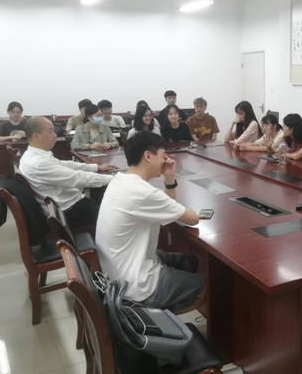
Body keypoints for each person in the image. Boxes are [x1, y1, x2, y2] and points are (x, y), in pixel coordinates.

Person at [96, 131, 204, 312]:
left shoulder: (120, 180)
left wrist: (169, 179)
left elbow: (168, 206)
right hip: (136, 285)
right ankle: (155, 318)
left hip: (117, 274)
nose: (165, 160)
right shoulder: (142, 192)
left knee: (190, 261)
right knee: (207, 286)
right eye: (163, 155)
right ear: (148, 155)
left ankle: (167, 306)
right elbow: (193, 219)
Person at [19, 116, 117, 229]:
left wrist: (96, 167)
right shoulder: (39, 163)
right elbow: (77, 178)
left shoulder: (32, 155)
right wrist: (115, 178)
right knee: (114, 213)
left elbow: (63, 164)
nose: (55, 135)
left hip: (65, 205)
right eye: (51, 131)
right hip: (70, 212)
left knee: (105, 200)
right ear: (37, 136)